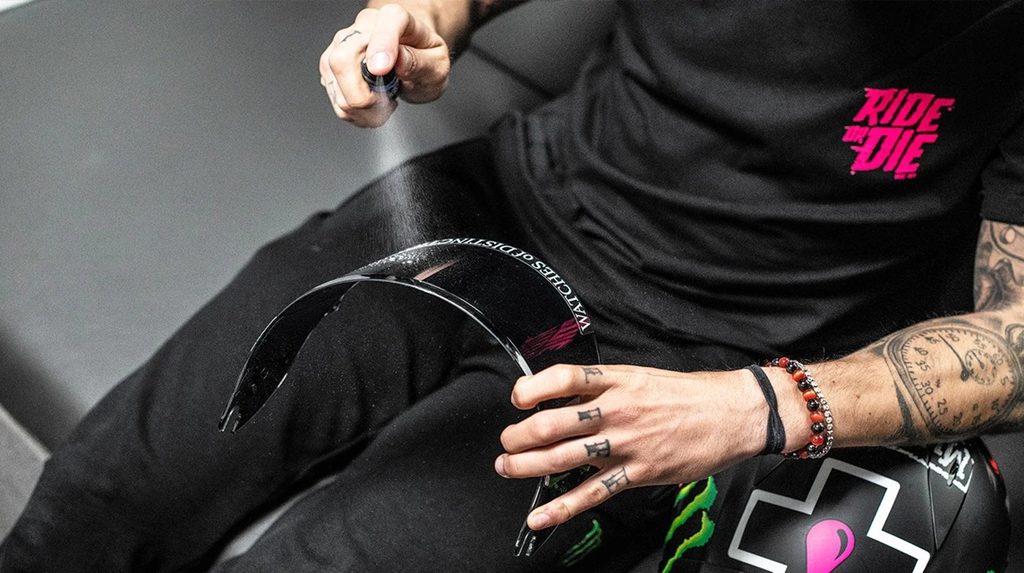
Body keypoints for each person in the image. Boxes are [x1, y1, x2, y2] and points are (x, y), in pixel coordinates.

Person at [3, 0, 1023, 571]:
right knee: (101, 493)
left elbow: (1018, 337)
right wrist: (429, 13)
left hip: (691, 367)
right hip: (497, 207)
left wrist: (753, 408)